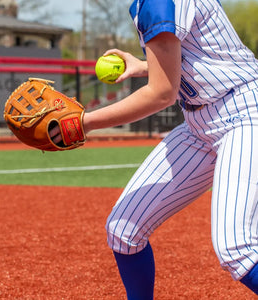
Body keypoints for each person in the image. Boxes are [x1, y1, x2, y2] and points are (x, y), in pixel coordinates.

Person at [50, 0, 258, 298]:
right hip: (200, 124)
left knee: (237, 248)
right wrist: (146, 65)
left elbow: (161, 93)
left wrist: (85, 122)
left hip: (244, 113)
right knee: (123, 231)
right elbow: (204, 55)